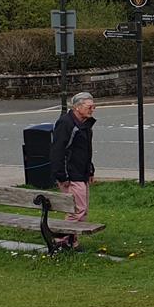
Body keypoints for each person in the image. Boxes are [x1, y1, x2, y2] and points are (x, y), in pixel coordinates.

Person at [48, 92, 96, 251]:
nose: (92, 110)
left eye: (93, 107)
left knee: (82, 210)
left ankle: (70, 240)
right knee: (77, 210)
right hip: (70, 174)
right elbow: (58, 151)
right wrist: (62, 175)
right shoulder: (66, 123)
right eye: (89, 107)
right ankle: (63, 239)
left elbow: (85, 150)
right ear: (77, 107)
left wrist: (90, 169)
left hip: (81, 173)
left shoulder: (85, 124)